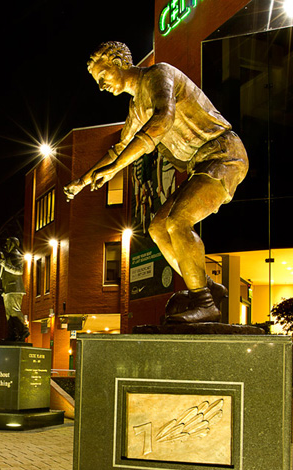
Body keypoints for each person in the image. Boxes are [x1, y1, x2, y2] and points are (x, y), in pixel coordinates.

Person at [64, 41, 248, 323]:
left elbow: (163, 119)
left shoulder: (158, 74)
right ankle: (208, 286)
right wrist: (83, 179)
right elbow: (119, 149)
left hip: (223, 154)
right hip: (200, 165)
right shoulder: (136, 107)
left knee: (178, 221)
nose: (101, 87)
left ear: (118, 63)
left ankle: (205, 302)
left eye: (103, 76)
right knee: (158, 229)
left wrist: (115, 168)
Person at [0, 237, 30, 342]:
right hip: (8, 289)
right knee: (9, 314)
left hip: (14, 288)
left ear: (13, 244)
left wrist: (5, 265)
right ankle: (13, 335)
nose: (6, 245)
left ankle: (23, 330)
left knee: (14, 312)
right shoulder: (9, 256)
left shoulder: (16, 255)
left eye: (8, 243)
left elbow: (19, 271)